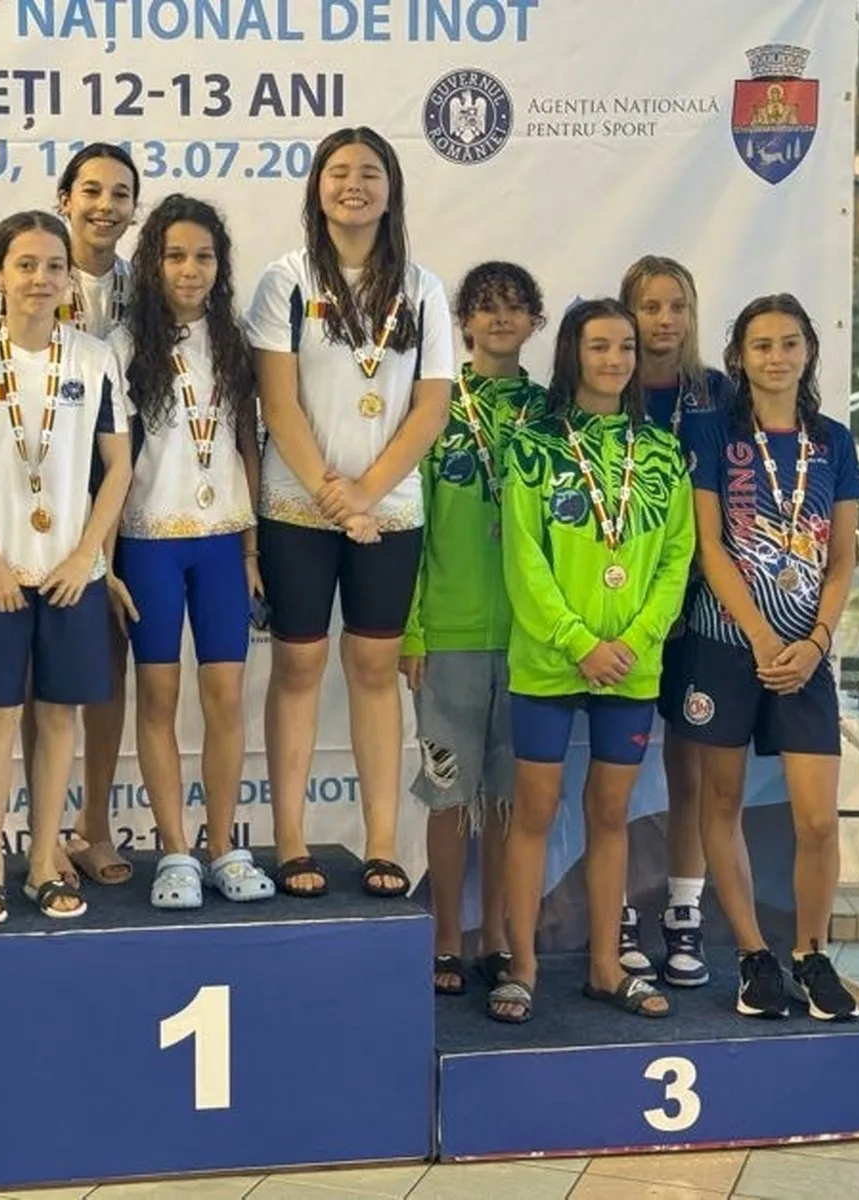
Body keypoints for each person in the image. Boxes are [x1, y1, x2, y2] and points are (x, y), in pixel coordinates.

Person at [245, 126, 452, 898]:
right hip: (298, 506)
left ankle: (381, 842)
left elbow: (431, 408)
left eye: (369, 172)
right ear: (317, 188)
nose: (353, 185)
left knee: (373, 668)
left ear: (391, 190)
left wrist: (365, 496)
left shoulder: (424, 289)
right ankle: (291, 840)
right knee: (298, 665)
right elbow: (278, 403)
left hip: (388, 509)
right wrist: (335, 496)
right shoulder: (285, 281)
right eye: (338, 172)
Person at [490, 299, 694, 1024]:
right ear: (573, 353)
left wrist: (633, 642)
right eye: (599, 345)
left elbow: (676, 559)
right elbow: (524, 561)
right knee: (534, 810)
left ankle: (607, 967)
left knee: (610, 813)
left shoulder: (662, 451)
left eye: (626, 347)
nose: (614, 359)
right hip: (550, 660)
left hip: (632, 665)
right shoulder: (532, 446)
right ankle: (521, 966)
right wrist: (580, 642)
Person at [670, 294, 859, 1021]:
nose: (776, 357)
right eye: (761, 345)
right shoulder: (711, 432)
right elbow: (709, 546)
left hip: (805, 655)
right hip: (727, 644)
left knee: (818, 821)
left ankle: (811, 954)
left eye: (788, 343)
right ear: (740, 357)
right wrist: (760, 635)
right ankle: (754, 957)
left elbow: (842, 558)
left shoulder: (833, 442)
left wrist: (815, 642)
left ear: (809, 350)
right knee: (721, 802)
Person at [0, 210, 132, 922]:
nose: (41, 278)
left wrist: (88, 555)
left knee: (58, 719)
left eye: (54, 266)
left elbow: (118, 466)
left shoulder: (94, 357)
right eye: (25, 265)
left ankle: (45, 860)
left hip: (70, 573)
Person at [108, 194, 270, 909]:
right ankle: (175, 850)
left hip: (222, 544)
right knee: (159, 697)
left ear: (220, 266)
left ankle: (223, 844)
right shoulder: (122, 346)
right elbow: (111, 462)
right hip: (149, 541)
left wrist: (252, 548)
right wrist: (105, 559)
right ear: (152, 263)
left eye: (204, 257)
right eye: (175, 255)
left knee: (226, 696)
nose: (190, 269)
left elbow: (247, 445)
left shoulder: (235, 342)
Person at [399, 261, 547, 993]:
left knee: (509, 800)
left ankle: (497, 938)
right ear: (462, 322)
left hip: (530, 640)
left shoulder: (550, 414)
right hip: (449, 632)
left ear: (535, 323)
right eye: (486, 307)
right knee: (451, 796)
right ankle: (446, 939)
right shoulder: (435, 404)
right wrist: (412, 629)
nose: (500, 318)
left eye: (515, 307)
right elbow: (410, 519)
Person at [617, 255, 733, 987]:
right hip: (621, 605)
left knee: (688, 767)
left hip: (699, 605)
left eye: (677, 306)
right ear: (627, 313)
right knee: (614, 771)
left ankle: (683, 911)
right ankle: (618, 907)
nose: (664, 320)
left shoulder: (718, 395)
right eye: (650, 307)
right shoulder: (606, 385)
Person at [36, 143, 140, 888]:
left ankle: (93, 824)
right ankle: (42, 836)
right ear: (65, 198)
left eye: (121, 193)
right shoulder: (35, 270)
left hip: (134, 486)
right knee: (41, 671)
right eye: (92, 190)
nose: (106, 205)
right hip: (49, 491)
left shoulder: (151, 287)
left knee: (110, 658)